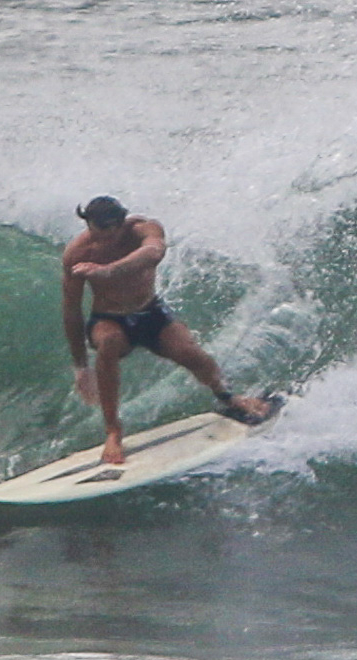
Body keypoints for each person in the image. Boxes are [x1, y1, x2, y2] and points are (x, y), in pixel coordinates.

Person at [62, 195, 269, 464]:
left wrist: (109, 271)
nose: (103, 242)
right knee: (109, 341)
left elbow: (154, 252)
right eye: (96, 234)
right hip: (109, 319)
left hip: (151, 313)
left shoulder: (143, 230)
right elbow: (71, 311)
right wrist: (80, 367)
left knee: (194, 355)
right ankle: (113, 431)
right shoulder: (78, 254)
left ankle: (229, 398)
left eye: (109, 236)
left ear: (121, 224)